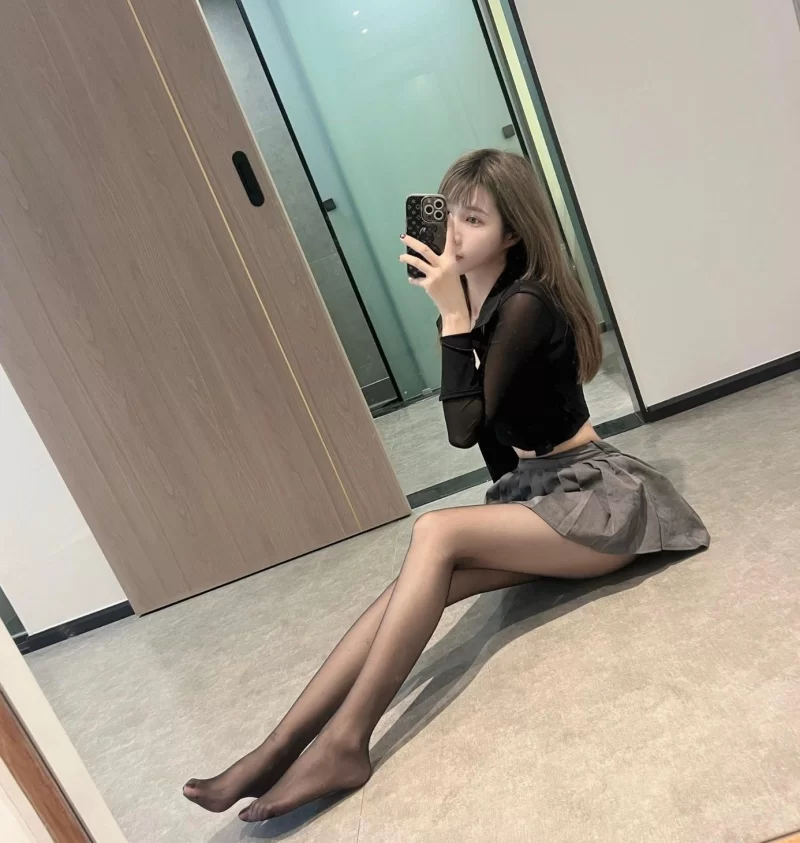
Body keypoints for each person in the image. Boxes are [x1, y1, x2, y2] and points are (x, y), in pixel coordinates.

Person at [183, 149, 709, 822]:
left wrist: (453, 321)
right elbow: (493, 446)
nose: (452, 233)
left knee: (434, 531)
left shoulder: (526, 305)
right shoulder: (471, 307)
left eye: (474, 219)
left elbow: (464, 429)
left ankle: (344, 744)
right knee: (425, 579)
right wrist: (456, 318)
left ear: (512, 233)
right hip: (543, 497)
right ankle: (275, 749)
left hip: (596, 503)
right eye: (447, 214)